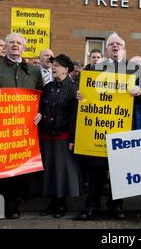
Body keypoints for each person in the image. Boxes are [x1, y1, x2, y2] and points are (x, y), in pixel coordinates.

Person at [75, 32, 141, 220]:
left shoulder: (133, 70)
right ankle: (91, 206)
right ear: (106, 48)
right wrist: (81, 96)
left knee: (118, 170)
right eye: (111, 44)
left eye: (118, 44)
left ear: (124, 48)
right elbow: (84, 94)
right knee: (96, 170)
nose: (115, 47)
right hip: (98, 128)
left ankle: (116, 206)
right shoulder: (93, 68)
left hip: (122, 126)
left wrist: (140, 91)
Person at [0, 33, 43, 220]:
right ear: (5, 46)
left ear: (24, 47)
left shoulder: (33, 70)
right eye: (11, 42)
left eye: (18, 43)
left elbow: (41, 96)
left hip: (22, 130)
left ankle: (12, 207)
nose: (15, 45)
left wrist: (40, 113)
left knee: (17, 171)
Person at [38, 54, 83, 219]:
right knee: (48, 171)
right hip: (46, 135)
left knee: (61, 172)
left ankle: (60, 204)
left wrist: (72, 138)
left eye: (57, 65)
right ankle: (51, 204)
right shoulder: (48, 87)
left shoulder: (74, 88)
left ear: (66, 69)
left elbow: (75, 116)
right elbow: (41, 108)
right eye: (53, 65)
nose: (53, 68)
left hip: (63, 136)